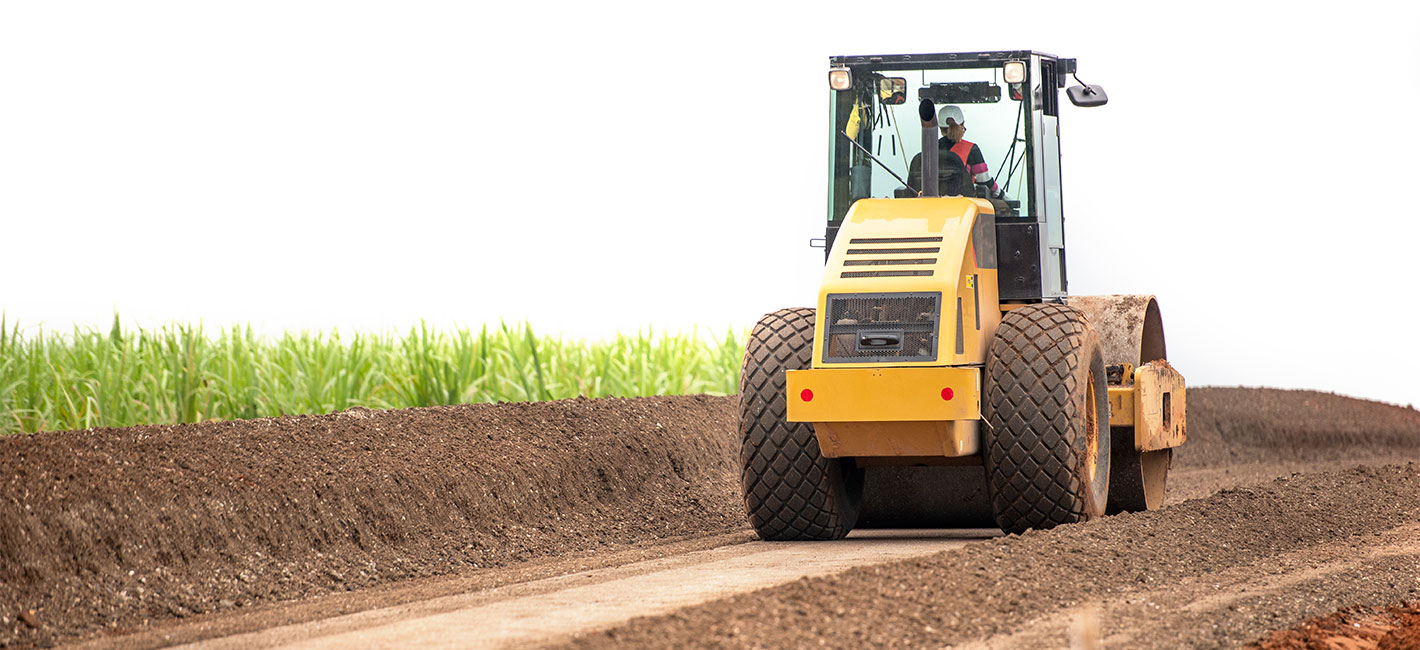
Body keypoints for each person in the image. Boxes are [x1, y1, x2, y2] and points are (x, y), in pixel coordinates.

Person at [906, 105, 1002, 198]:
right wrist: (1001, 194)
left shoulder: (928, 151)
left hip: (926, 205)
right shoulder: (971, 149)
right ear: (962, 125)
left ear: (940, 128)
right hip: (963, 205)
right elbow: (985, 181)